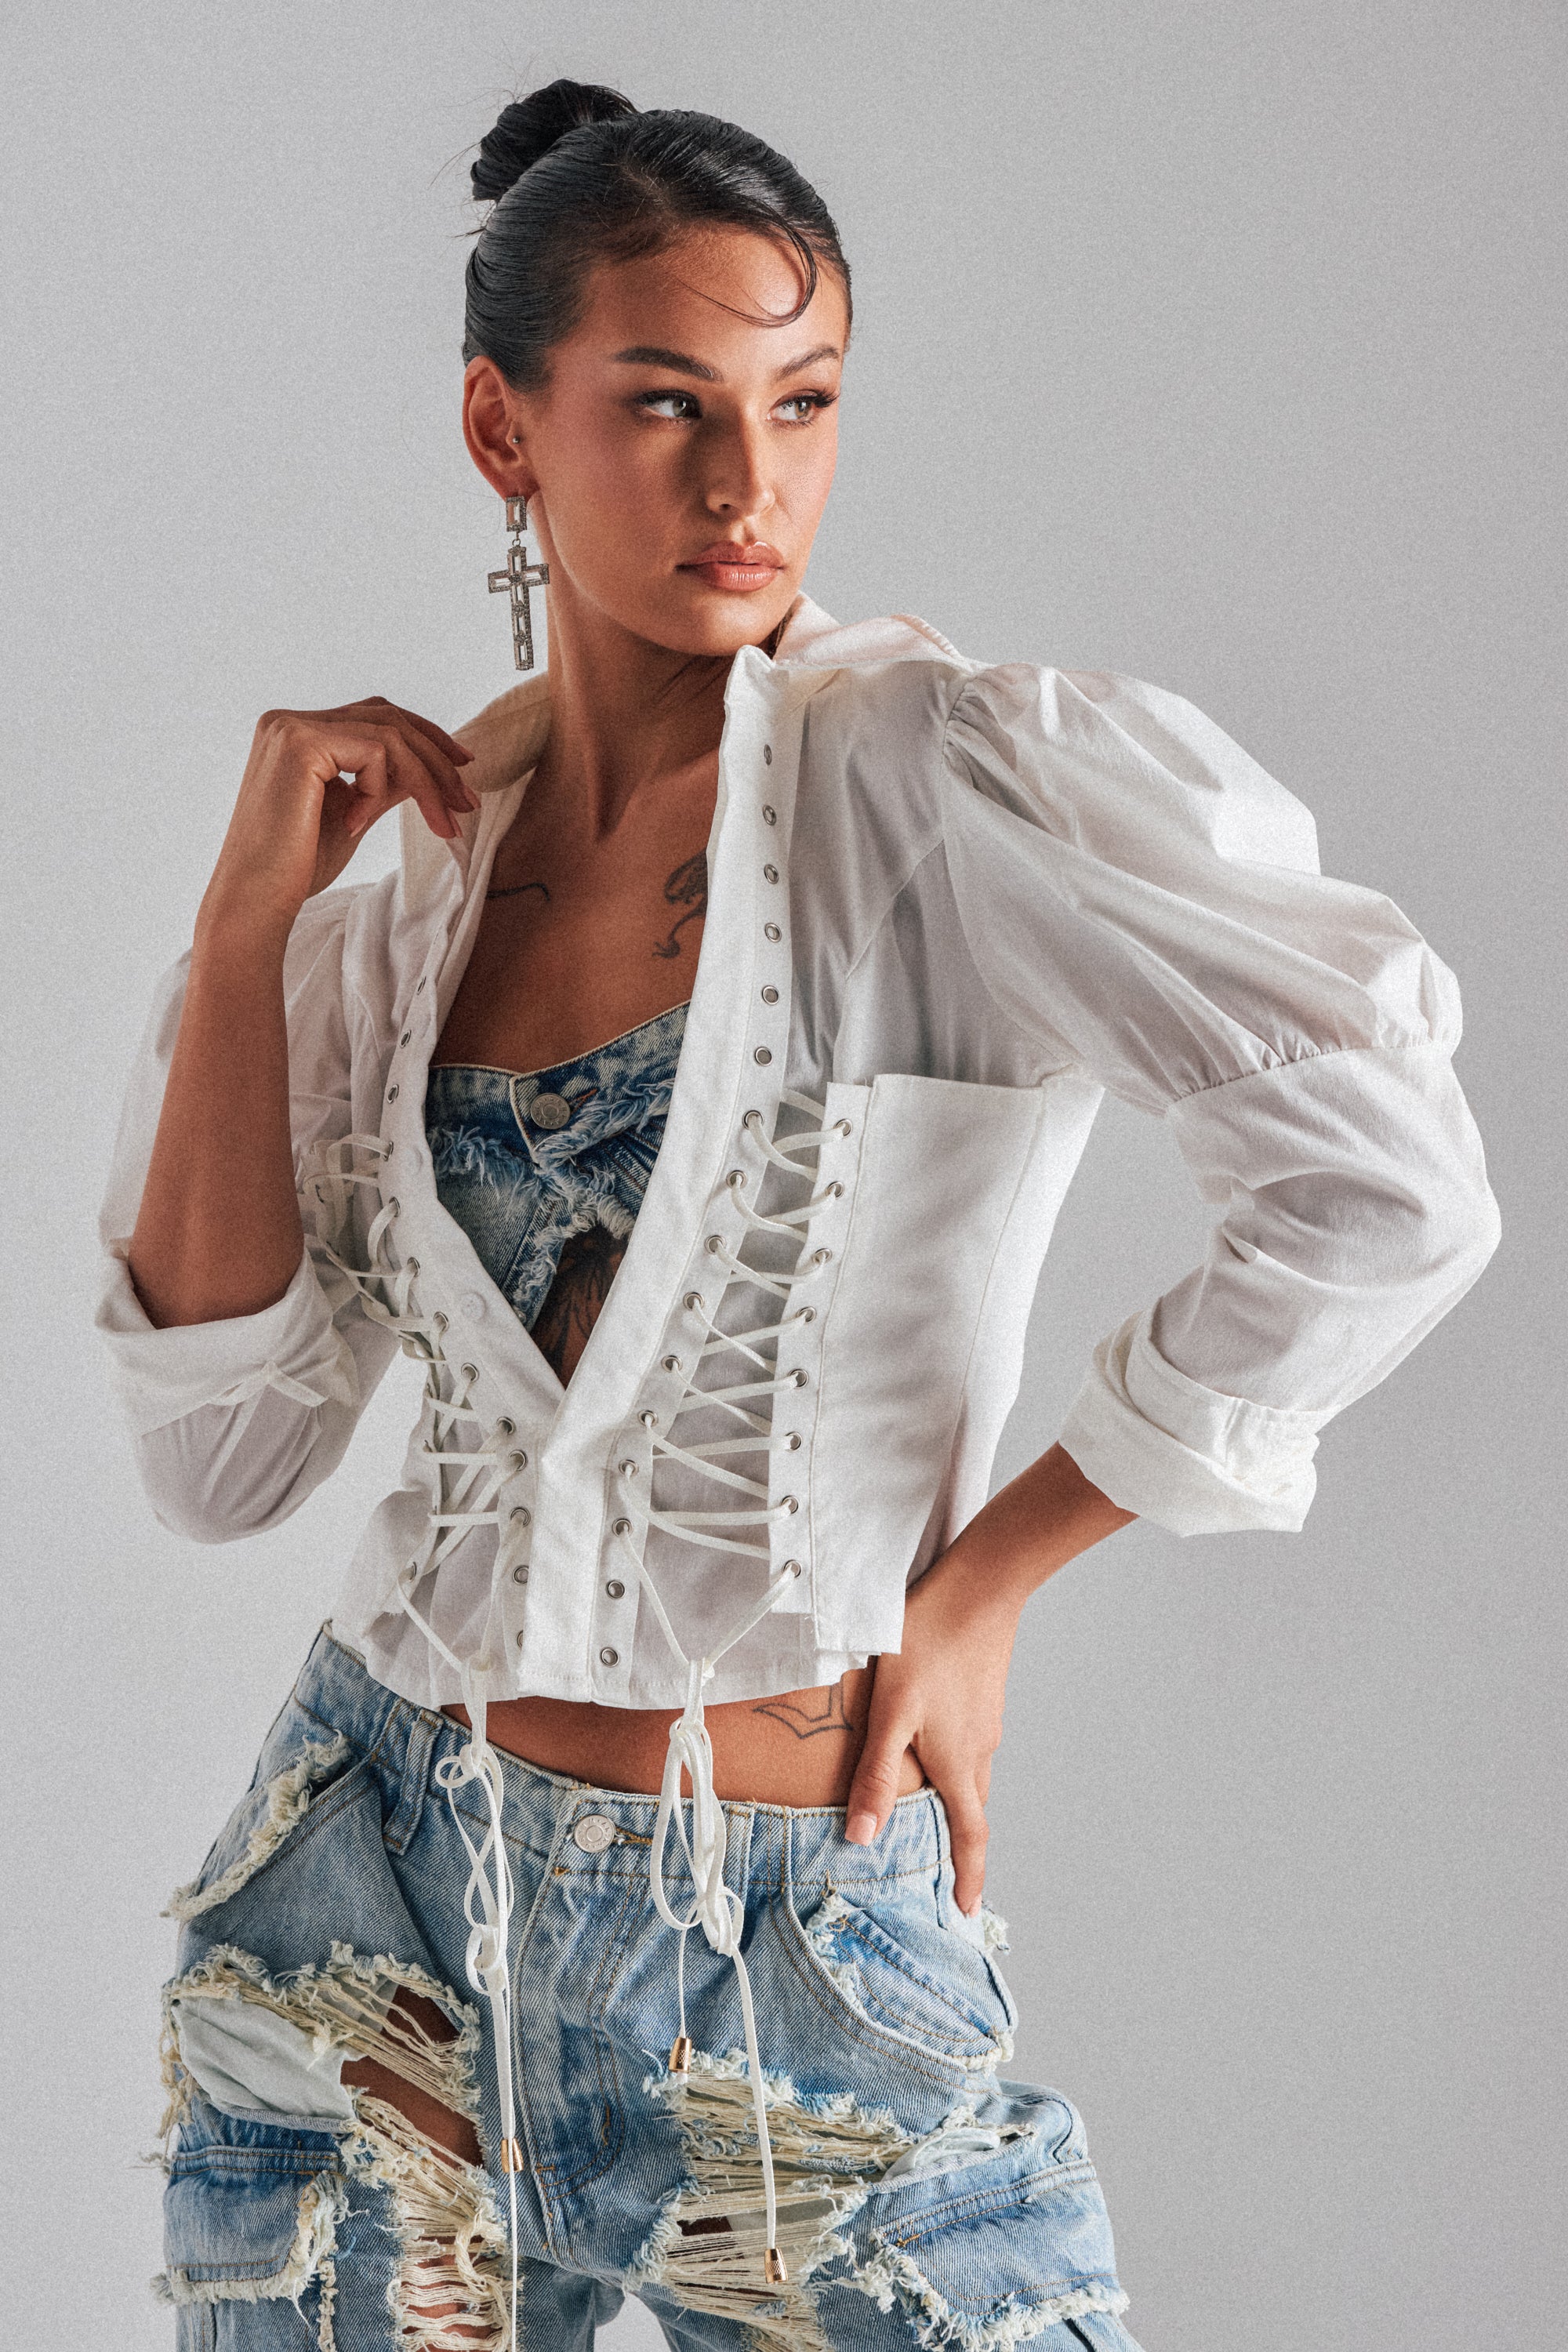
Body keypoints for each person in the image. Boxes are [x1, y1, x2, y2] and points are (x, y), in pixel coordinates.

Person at [96, 79, 1500, 2352]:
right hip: (368, 1934)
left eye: (802, 402)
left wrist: (996, 1577)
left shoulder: (937, 790)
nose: (748, 485)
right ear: (503, 426)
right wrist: (248, 933)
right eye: (666, 408)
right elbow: (220, 1453)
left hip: (793, 1945)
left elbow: (1389, 1178)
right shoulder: (392, 914)